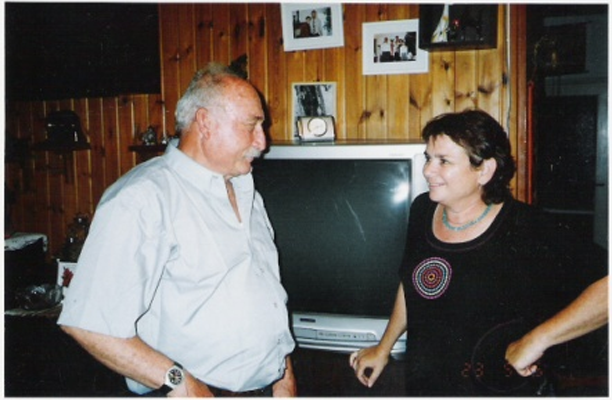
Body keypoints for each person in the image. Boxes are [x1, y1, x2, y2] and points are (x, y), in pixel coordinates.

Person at [58, 63, 297, 397]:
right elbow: (87, 323)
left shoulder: (247, 191)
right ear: (205, 123)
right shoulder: (142, 198)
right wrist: (180, 381)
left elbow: (265, 295)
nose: (263, 141)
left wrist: (283, 377)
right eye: (251, 126)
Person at [349, 109, 607, 396]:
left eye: (443, 161)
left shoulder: (526, 226)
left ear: (484, 170)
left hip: (497, 388)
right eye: (428, 158)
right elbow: (412, 286)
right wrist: (384, 347)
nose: (427, 171)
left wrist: (538, 339)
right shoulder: (422, 209)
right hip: (427, 385)